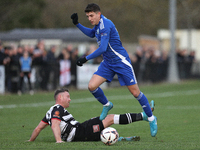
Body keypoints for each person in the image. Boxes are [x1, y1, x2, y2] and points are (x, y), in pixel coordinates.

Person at [71, 3, 157, 137]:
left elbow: (103, 48)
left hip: (120, 62)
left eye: (91, 15)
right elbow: (91, 34)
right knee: (92, 86)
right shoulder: (98, 26)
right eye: (87, 16)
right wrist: (77, 24)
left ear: (99, 14)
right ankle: (107, 104)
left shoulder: (105, 24)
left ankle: (151, 118)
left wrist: (85, 58)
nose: (89, 18)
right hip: (108, 63)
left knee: (135, 93)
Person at [28, 89, 155, 143]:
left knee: (102, 129)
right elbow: (55, 125)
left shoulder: (49, 112)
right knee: (109, 118)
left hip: (78, 132)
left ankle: (121, 139)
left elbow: (38, 128)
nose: (70, 99)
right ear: (60, 97)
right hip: (79, 132)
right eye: (67, 96)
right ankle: (143, 116)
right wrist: (58, 141)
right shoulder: (57, 108)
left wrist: (30, 141)